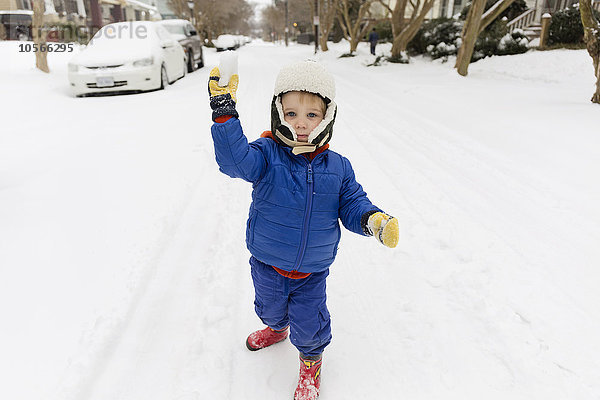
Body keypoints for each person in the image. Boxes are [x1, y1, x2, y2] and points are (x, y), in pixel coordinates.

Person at [207, 60, 399, 400]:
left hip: (312, 272)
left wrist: (373, 220)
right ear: (277, 111)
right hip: (268, 262)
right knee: (269, 310)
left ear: (328, 117)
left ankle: (310, 367)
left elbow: (352, 203)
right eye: (291, 113)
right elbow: (234, 162)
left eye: (312, 115)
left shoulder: (338, 167)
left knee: (310, 327)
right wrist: (224, 114)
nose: (301, 124)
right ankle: (276, 329)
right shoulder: (267, 155)